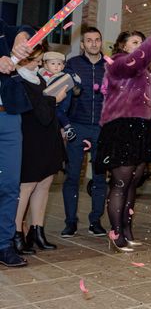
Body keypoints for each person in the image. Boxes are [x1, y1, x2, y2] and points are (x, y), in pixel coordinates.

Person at [97, 26, 151, 252]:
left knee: (133, 182)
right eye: (135, 43)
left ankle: (126, 230)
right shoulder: (116, 63)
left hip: (142, 127)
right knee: (120, 182)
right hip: (121, 127)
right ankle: (115, 234)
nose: (139, 47)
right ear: (123, 46)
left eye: (141, 42)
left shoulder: (146, 71)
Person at [13, 45, 67, 254]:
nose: (38, 64)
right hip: (31, 139)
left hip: (48, 137)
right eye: (35, 60)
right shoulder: (18, 80)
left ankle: (37, 231)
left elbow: (46, 112)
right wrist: (55, 99)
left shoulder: (39, 79)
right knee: (26, 187)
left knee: (45, 184)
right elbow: (38, 111)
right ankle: (16, 232)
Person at [61, 27, 108, 238]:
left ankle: (95, 221)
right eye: (89, 40)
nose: (93, 44)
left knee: (100, 176)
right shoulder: (72, 65)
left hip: (101, 127)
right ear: (83, 44)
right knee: (72, 176)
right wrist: (64, 124)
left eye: (97, 40)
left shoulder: (109, 67)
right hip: (77, 126)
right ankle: (70, 222)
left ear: (101, 42)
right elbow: (62, 94)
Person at [0, 19, 33, 267]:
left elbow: (27, 29)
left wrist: (21, 37)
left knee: (10, 185)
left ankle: (4, 245)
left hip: (8, 115)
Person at [39, 51, 80, 141]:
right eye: (53, 63)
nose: (56, 66)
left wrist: (75, 79)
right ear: (45, 65)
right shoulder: (40, 74)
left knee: (59, 113)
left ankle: (68, 128)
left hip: (62, 103)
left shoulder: (64, 76)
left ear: (63, 66)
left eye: (59, 64)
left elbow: (77, 83)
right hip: (46, 106)